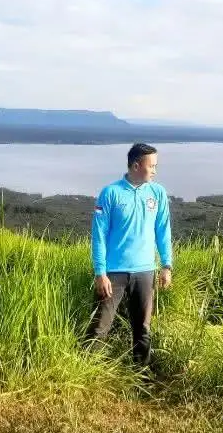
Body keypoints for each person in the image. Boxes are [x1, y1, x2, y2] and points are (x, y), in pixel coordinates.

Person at [88, 142, 173, 369]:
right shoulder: (110, 193)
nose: (155, 171)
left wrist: (166, 265)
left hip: (145, 271)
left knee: (142, 328)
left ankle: (141, 376)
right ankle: (87, 373)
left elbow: (163, 230)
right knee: (99, 327)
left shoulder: (157, 192)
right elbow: (98, 235)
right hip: (113, 273)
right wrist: (100, 273)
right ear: (136, 166)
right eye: (151, 166)